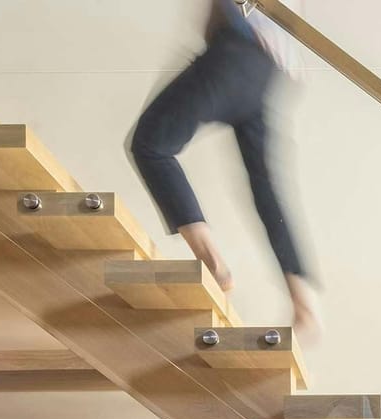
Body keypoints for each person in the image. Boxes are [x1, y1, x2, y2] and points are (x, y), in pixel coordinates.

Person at [130, 0, 320, 335]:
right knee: (264, 187)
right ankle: (302, 301)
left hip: (235, 52)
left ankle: (212, 262)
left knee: (151, 145)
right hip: (266, 73)